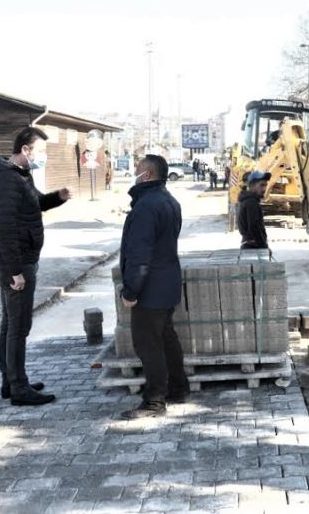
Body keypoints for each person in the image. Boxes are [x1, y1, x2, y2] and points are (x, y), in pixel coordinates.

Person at [0, 127, 70, 406]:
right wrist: (15, 272)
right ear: (26, 150)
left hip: (20, 258)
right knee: (19, 325)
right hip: (16, 261)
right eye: (41, 151)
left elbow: (33, 205)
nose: (43, 157)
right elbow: (5, 227)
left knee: (11, 323)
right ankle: (19, 388)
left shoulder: (20, 176)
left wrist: (57, 197)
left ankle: (11, 381)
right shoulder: (7, 180)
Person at [119, 154, 189, 419]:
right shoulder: (170, 201)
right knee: (166, 338)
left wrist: (130, 290)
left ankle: (154, 402)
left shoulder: (146, 206)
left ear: (146, 175)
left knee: (148, 345)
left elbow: (140, 255)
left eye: (137, 170)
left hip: (150, 288)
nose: (134, 173)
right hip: (168, 283)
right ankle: (178, 388)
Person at [238, 170, 270, 250]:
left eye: (265, 185)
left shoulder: (247, 200)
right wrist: (264, 247)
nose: (264, 189)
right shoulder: (251, 202)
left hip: (250, 245)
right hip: (253, 247)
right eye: (261, 185)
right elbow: (254, 227)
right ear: (252, 186)